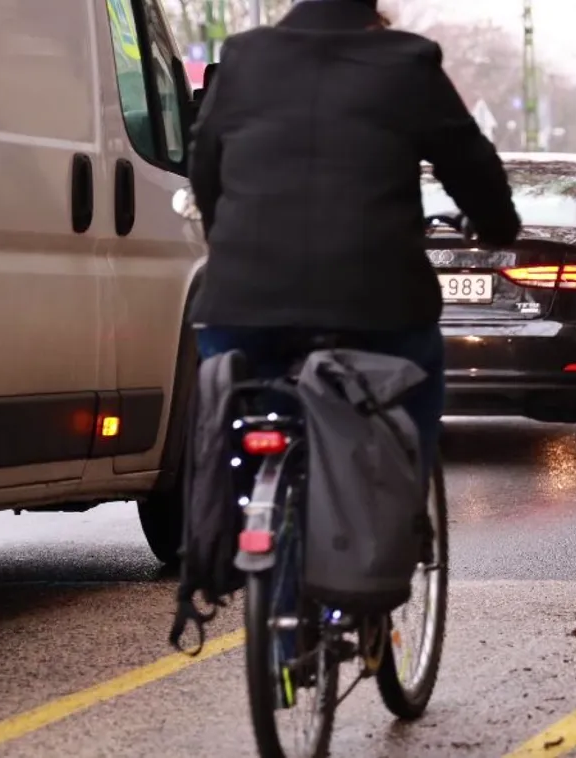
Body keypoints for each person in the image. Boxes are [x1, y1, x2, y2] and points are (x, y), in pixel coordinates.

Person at [187, 0, 521, 477]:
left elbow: (205, 166)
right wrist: (496, 226)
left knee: (232, 420)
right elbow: (469, 165)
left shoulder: (243, 56)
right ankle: (403, 523)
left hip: (241, 302)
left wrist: (227, 245)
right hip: (376, 305)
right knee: (413, 393)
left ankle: (229, 527)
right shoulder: (407, 61)